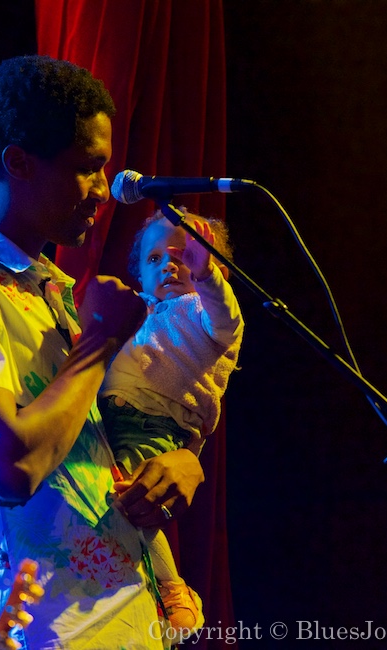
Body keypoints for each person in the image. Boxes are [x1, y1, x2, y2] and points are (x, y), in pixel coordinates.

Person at [0, 54, 204, 650]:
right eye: (87, 168)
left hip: (125, 619)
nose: (103, 191)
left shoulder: (55, 290)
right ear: (18, 163)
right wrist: (98, 344)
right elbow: (12, 467)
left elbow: (93, 442)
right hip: (32, 631)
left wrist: (180, 461)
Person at [99, 210, 244, 636]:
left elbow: (227, 319)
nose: (168, 265)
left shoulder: (200, 312)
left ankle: (173, 591)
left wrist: (208, 278)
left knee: (130, 501)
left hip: (153, 424)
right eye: (155, 258)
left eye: (182, 257)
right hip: (114, 420)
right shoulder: (137, 313)